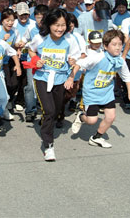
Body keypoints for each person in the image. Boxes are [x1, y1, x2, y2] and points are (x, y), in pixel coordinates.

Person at [27, 9, 81, 161]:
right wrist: (36, 60)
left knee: (56, 110)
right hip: (42, 78)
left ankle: (46, 121)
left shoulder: (70, 40)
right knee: (50, 111)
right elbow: (31, 50)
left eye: (63, 25)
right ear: (49, 24)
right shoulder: (40, 37)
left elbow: (77, 59)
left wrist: (72, 67)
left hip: (60, 80)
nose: (59, 29)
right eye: (56, 25)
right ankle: (48, 145)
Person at [67, 30, 130, 148]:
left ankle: (96, 138)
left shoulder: (119, 61)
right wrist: (70, 78)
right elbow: (79, 64)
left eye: (120, 44)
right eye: (114, 45)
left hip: (107, 92)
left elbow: (126, 76)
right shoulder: (97, 57)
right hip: (92, 93)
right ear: (105, 46)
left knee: (111, 117)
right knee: (91, 121)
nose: (118, 48)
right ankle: (81, 116)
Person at [21, 4, 49, 122]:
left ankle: (42, 108)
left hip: (46, 63)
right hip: (31, 62)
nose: (40, 21)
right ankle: (30, 110)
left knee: (44, 87)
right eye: (37, 17)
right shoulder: (31, 29)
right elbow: (24, 39)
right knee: (30, 86)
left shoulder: (51, 29)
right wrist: (20, 44)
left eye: (42, 18)